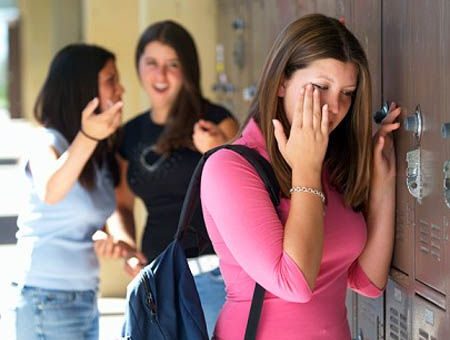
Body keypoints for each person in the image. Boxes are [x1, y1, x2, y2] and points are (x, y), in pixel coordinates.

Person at [200, 13, 401, 339]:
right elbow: (293, 283)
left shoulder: (327, 163)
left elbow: (368, 282)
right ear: (281, 82)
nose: (334, 107)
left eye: (347, 93)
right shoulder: (230, 168)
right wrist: (305, 170)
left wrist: (383, 182)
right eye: (320, 87)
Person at [96, 20, 239, 336]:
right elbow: (122, 204)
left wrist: (220, 150)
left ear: (187, 68)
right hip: (154, 280)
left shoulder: (216, 122)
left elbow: (247, 193)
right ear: (139, 67)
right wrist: (127, 245)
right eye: (152, 63)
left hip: (212, 277)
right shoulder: (130, 135)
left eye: (172, 64)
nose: (160, 75)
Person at [0, 44, 125, 340]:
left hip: (84, 298)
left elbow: (89, 220)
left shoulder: (100, 152)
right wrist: (90, 135)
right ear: (83, 89)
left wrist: (107, 239)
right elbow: (51, 191)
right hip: (45, 299)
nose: (121, 89)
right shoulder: (44, 141)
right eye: (110, 80)